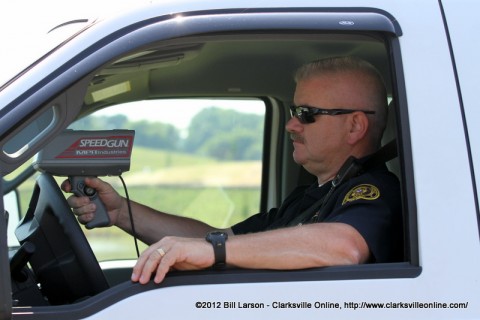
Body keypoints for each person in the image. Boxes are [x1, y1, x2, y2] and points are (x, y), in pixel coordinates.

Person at [62, 56, 403, 285]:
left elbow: (344, 247)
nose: (290, 124)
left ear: (355, 127)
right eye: (292, 110)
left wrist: (213, 252)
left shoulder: (377, 192)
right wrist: (122, 212)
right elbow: (224, 237)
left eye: (306, 113)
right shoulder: (311, 196)